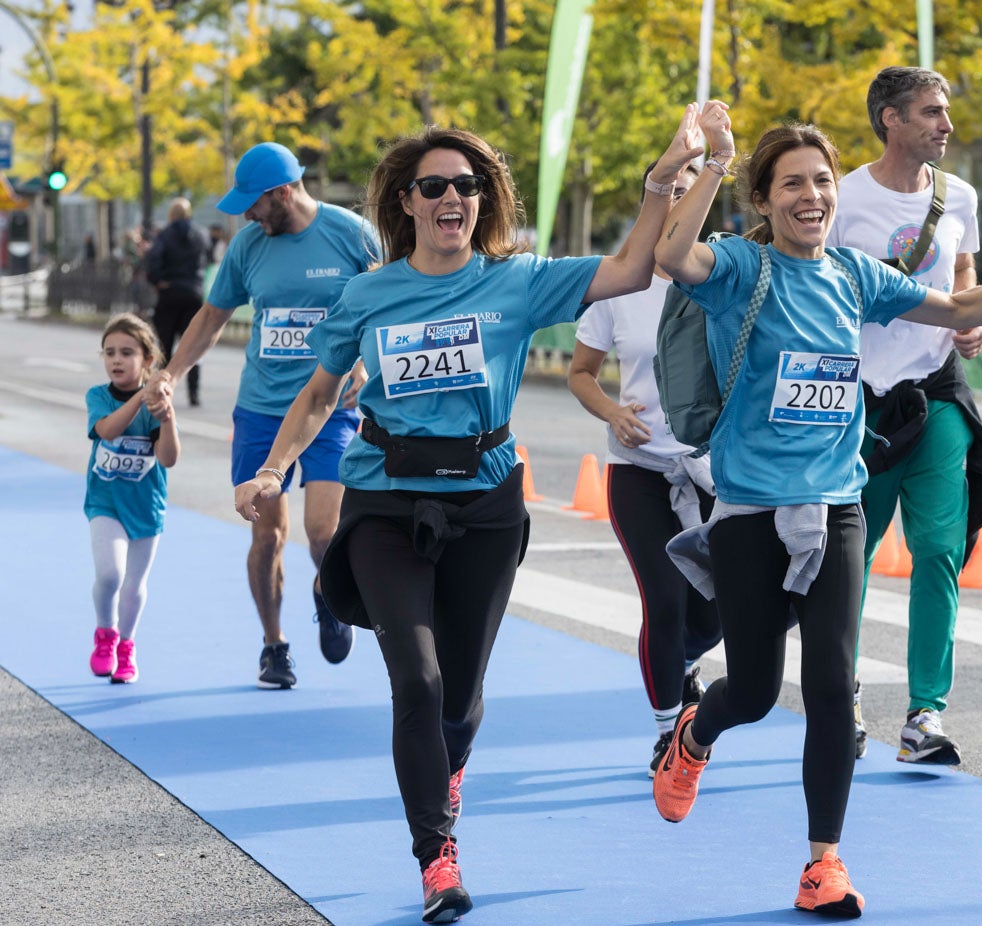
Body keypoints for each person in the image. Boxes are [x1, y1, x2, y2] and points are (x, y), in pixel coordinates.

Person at [233, 112, 705, 923]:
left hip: (484, 504)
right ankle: (436, 856)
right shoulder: (367, 294)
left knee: (459, 697)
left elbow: (632, 269)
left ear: (482, 201)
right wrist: (274, 468)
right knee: (415, 682)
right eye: (434, 187)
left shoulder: (516, 281)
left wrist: (663, 177)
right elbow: (318, 394)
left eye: (467, 185)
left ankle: (446, 767)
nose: (453, 197)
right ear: (407, 203)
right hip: (384, 497)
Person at [652, 102, 982, 918]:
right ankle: (693, 735)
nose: (812, 196)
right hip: (750, 510)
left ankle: (822, 865)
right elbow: (671, 254)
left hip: (836, 501)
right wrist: (715, 163)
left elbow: (948, 311)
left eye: (823, 181)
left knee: (833, 685)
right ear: (765, 201)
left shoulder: (855, 275)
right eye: (793, 184)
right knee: (758, 690)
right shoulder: (741, 267)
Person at [824, 65, 982, 766]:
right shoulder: (842, 197)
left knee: (938, 549)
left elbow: (960, 277)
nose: (946, 125)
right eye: (931, 112)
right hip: (861, 406)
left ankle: (925, 714)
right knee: (851, 560)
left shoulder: (957, 195)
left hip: (935, 395)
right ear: (890, 119)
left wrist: (970, 324)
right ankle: (844, 694)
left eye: (945, 111)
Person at [145, 143, 379, 689]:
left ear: (282, 192)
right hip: (261, 410)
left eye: (253, 203)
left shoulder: (348, 233)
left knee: (324, 534)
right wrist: (170, 374)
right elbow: (211, 316)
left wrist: (366, 361)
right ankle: (274, 646)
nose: (246, 214)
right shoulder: (249, 245)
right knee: (267, 537)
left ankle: (327, 591)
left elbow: (386, 301)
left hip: (330, 408)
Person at [567, 161, 721, 777]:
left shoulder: (721, 275)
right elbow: (581, 372)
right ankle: (666, 732)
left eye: (693, 193)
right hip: (639, 469)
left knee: (716, 613)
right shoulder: (619, 282)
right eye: (670, 193)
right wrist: (612, 412)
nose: (680, 203)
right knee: (663, 601)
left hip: (712, 469)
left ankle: (681, 666)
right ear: (653, 203)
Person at [86, 314, 180, 685]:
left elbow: (169, 458)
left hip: (146, 505)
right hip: (105, 501)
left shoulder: (159, 405)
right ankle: (104, 635)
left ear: (147, 360)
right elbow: (107, 431)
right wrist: (141, 397)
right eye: (110, 353)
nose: (116, 360)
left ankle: (127, 646)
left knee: (134, 584)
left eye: (127, 352)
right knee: (110, 573)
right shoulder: (98, 396)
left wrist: (168, 417)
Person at [145, 198, 211, 407]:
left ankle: (162, 389)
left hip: (170, 293)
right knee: (193, 345)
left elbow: (153, 260)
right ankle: (194, 392)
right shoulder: (201, 234)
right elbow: (207, 258)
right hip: (193, 293)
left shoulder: (164, 235)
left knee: (164, 345)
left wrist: (157, 280)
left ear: (171, 215)